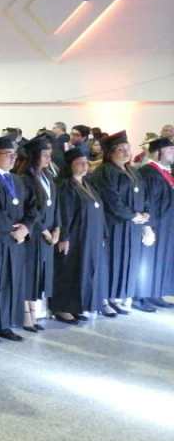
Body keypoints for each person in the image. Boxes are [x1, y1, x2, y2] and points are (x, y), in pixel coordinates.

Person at [0, 136, 37, 343]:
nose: (14, 158)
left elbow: (33, 207)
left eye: (15, 154)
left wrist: (26, 227)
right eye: (9, 154)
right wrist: (9, 230)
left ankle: (3, 323)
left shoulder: (18, 180)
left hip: (16, 241)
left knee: (10, 282)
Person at [91, 131, 150, 314]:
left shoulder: (132, 171)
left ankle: (115, 297)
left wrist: (145, 213)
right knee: (110, 261)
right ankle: (103, 300)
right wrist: (132, 216)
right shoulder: (105, 172)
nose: (126, 153)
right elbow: (111, 200)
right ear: (110, 153)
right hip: (113, 225)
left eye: (127, 148)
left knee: (125, 261)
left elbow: (144, 195)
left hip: (131, 226)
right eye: (120, 149)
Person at [52, 148, 108, 322]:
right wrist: (64, 237)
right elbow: (64, 214)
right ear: (70, 166)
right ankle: (62, 307)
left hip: (89, 237)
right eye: (79, 163)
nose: (84, 166)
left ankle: (78, 306)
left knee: (83, 272)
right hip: (74, 237)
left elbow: (100, 210)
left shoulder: (88, 184)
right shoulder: (65, 186)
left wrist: (103, 234)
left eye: (86, 163)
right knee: (69, 271)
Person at [17, 136, 59, 331]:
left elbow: (55, 205)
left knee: (40, 275)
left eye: (50, 155)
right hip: (34, 235)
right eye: (44, 155)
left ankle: (35, 313)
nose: (48, 159)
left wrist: (57, 227)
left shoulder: (48, 177)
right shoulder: (25, 178)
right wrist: (43, 229)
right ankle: (26, 316)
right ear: (34, 156)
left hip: (49, 235)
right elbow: (29, 209)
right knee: (29, 274)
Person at [137, 138, 174, 308]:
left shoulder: (166, 172)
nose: (173, 153)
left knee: (160, 260)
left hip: (166, 225)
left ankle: (155, 292)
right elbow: (147, 201)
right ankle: (141, 296)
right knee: (147, 260)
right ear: (158, 152)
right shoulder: (148, 172)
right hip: (153, 224)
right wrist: (147, 227)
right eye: (170, 150)